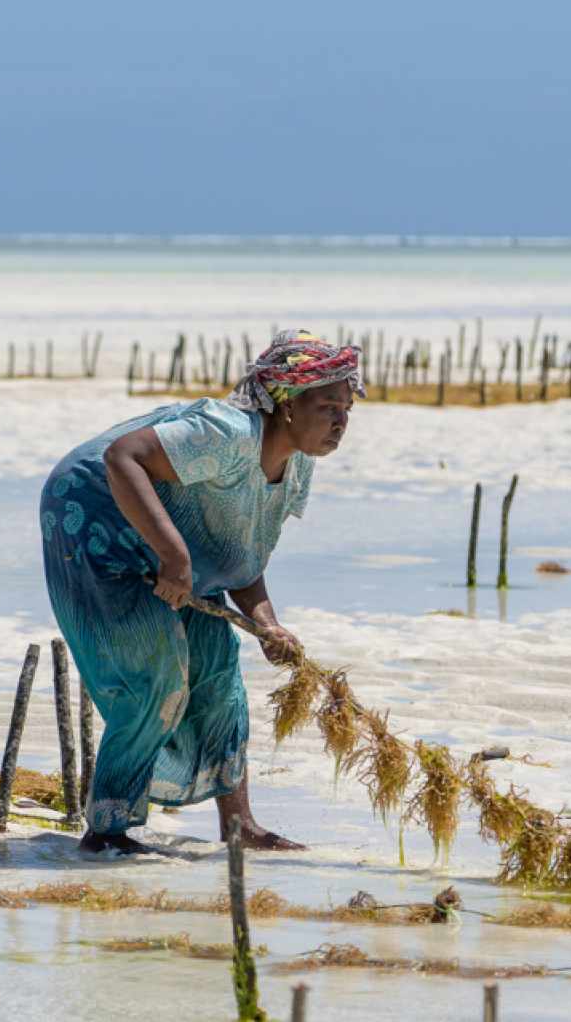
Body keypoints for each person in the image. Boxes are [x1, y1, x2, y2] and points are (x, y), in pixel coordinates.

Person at [40, 330, 360, 853]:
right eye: (328, 406)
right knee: (157, 675)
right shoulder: (228, 433)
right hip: (93, 516)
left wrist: (267, 624)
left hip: (169, 542)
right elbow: (122, 458)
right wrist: (174, 557)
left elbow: (242, 553)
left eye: (347, 408)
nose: (341, 421)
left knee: (218, 673)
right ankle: (107, 829)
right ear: (283, 405)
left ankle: (242, 828)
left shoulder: (297, 466)